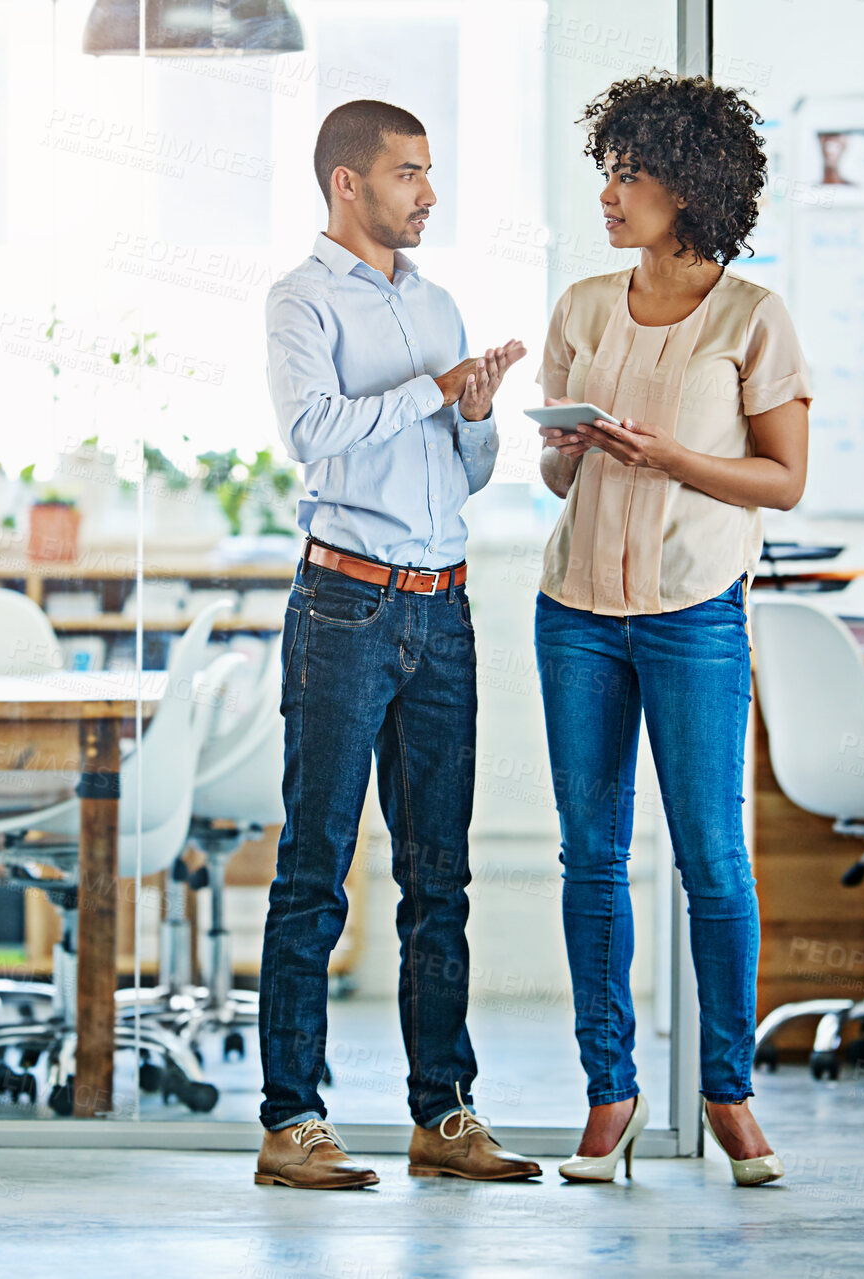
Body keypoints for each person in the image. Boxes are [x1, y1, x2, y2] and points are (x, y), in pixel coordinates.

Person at [255, 99, 538, 1190]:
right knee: (314, 872)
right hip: (344, 608)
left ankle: (443, 1116)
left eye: (429, 172)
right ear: (347, 184)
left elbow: (461, 472)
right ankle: (293, 1123)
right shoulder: (301, 300)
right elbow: (316, 433)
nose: (427, 192)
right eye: (408, 173)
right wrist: (428, 390)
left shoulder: (437, 303)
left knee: (440, 878)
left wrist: (472, 411)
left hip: (441, 606)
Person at [535, 72, 813, 1186]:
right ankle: (609, 1095)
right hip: (576, 618)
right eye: (607, 170)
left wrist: (670, 458)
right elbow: (556, 480)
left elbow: (781, 481)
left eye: (632, 174)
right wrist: (567, 447)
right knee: (589, 858)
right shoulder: (581, 307)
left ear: (688, 187)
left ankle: (729, 1096)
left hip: (694, 613)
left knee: (710, 858)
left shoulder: (751, 316)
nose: (611, 192)